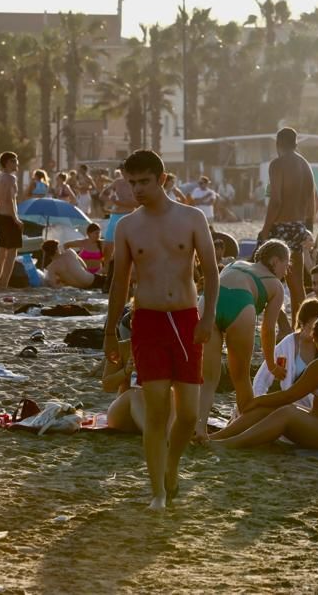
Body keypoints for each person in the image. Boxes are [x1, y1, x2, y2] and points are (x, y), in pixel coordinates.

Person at [102, 150, 218, 511]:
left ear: (161, 179)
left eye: (143, 182)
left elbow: (212, 273)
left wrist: (208, 317)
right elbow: (119, 283)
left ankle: (172, 464)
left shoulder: (192, 217)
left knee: (186, 414)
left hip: (185, 318)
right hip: (147, 320)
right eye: (131, 182)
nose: (136, 189)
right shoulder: (126, 226)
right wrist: (108, 331)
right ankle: (158, 493)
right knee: (155, 410)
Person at [209, 315, 318, 450]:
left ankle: (231, 443)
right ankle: (216, 437)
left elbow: (289, 396)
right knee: (273, 407)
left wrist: (257, 401)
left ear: (317, 338)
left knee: (286, 411)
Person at [197, 240, 288, 439]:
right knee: (241, 378)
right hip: (241, 304)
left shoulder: (234, 264)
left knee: (208, 379)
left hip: (210, 302)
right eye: (286, 265)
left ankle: (199, 429)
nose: (286, 271)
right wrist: (271, 364)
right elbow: (268, 329)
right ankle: (243, 427)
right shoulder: (275, 285)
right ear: (275, 260)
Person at [259, 127, 318, 325]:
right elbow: (313, 201)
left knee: (268, 280)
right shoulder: (305, 164)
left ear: (278, 144)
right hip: (299, 226)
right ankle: (300, 328)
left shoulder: (277, 165)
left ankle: (282, 327)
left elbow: (275, 201)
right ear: (295, 144)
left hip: (281, 227)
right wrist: (308, 228)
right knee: (296, 285)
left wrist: (265, 230)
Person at [252, 297, 318, 410]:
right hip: (291, 408)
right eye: (313, 328)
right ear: (302, 323)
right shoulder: (288, 345)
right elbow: (262, 378)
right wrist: (258, 400)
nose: (317, 332)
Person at [0, 152, 22, 289]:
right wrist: (16, 219)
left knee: (2, 250)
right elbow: (11, 199)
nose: (16, 163)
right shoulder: (11, 178)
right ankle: (4, 284)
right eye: (14, 161)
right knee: (12, 252)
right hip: (9, 217)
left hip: (0, 216)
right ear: (8, 163)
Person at [41, 240, 107, 290]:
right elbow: (84, 266)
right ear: (56, 249)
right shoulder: (69, 252)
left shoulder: (51, 268)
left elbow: (55, 286)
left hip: (81, 288)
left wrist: (65, 281)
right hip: (93, 280)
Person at [101, 168, 136, 262]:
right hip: (115, 215)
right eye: (123, 170)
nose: (124, 173)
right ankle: (106, 270)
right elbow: (103, 194)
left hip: (129, 215)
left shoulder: (134, 183)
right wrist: (109, 200)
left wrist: (118, 202)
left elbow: (136, 203)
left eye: (126, 170)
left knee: (127, 245)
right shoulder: (117, 182)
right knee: (108, 244)